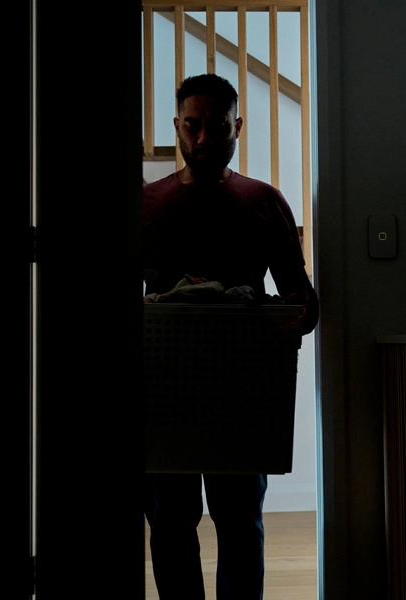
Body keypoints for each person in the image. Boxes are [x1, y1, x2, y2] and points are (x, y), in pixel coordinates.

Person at [142, 73, 319, 600]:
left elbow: (304, 304)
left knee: (240, 526)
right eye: (192, 126)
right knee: (171, 527)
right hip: (163, 394)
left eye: (216, 127)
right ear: (177, 126)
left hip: (241, 394)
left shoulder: (263, 202)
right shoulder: (146, 205)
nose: (202, 140)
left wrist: (275, 320)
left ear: (237, 127)